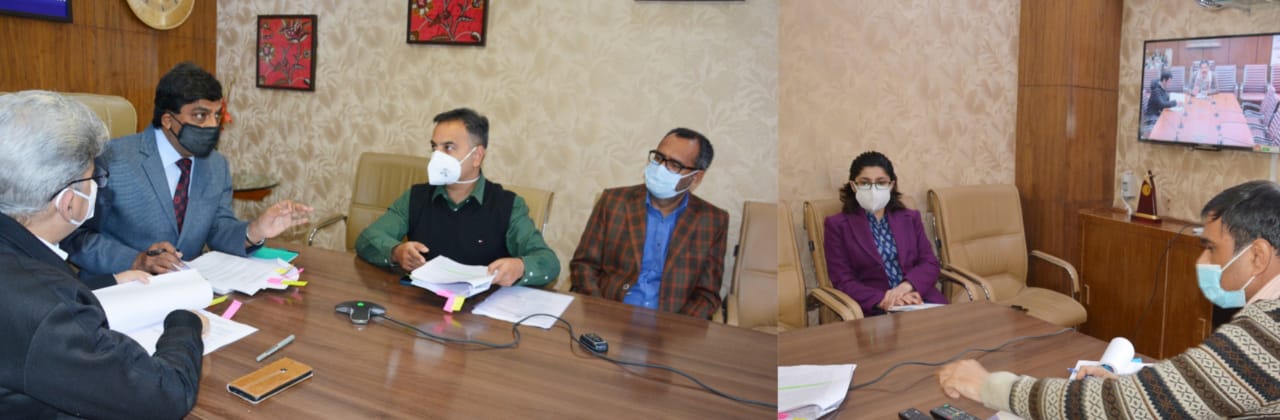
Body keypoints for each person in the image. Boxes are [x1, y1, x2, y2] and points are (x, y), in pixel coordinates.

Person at [937, 180, 1280, 418]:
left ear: (1258, 256)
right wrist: (1142, 392)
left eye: (1211, 248)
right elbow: (1213, 394)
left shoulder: (1267, 332)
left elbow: (1123, 407)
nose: (1202, 261)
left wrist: (989, 386)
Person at [0, 90, 208, 418]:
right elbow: (164, 396)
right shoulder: (47, 312)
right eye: (93, 178)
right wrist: (184, 323)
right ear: (68, 202)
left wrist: (107, 282)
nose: (97, 186)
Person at [63, 62, 312, 288]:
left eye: (216, 115)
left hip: (189, 292)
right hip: (119, 291)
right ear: (168, 120)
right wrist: (137, 260)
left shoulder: (216, 165)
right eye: (200, 115)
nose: (212, 125)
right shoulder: (111, 159)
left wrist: (255, 230)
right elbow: (75, 237)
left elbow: (218, 229)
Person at [355, 108, 559, 287]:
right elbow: (367, 239)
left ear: (477, 156)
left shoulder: (508, 205)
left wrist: (520, 266)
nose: (437, 156)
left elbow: (549, 262)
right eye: (434, 147)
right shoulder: (416, 197)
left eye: (448, 147)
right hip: (423, 304)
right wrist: (396, 252)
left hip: (481, 309)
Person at [570, 128, 728, 319]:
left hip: (671, 324)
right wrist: (600, 310)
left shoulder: (712, 221)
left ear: (696, 177)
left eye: (674, 165)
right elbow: (584, 266)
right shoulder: (614, 201)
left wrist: (676, 327)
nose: (661, 168)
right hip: (609, 313)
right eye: (659, 158)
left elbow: (707, 294)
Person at [824, 151, 946, 316]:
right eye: (865, 183)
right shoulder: (837, 226)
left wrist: (906, 287)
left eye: (881, 182)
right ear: (853, 186)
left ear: (891, 185)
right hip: (875, 309)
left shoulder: (910, 218)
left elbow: (929, 263)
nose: (873, 189)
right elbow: (843, 280)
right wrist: (884, 300)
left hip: (919, 299)